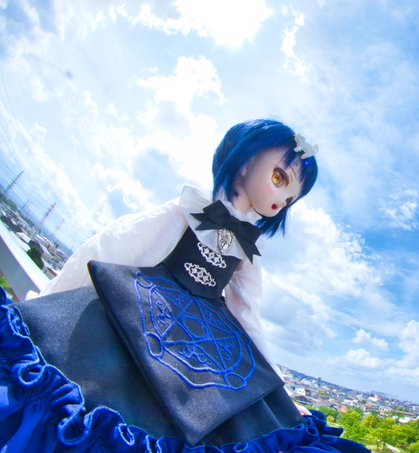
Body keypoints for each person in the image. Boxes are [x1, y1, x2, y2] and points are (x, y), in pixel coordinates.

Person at [0, 119, 368, 452]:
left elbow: (249, 317)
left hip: (199, 355)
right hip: (140, 314)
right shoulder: (189, 211)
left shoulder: (246, 251)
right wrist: (50, 301)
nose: (279, 202)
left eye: (289, 200)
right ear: (244, 162)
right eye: (278, 179)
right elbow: (110, 248)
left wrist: (281, 393)